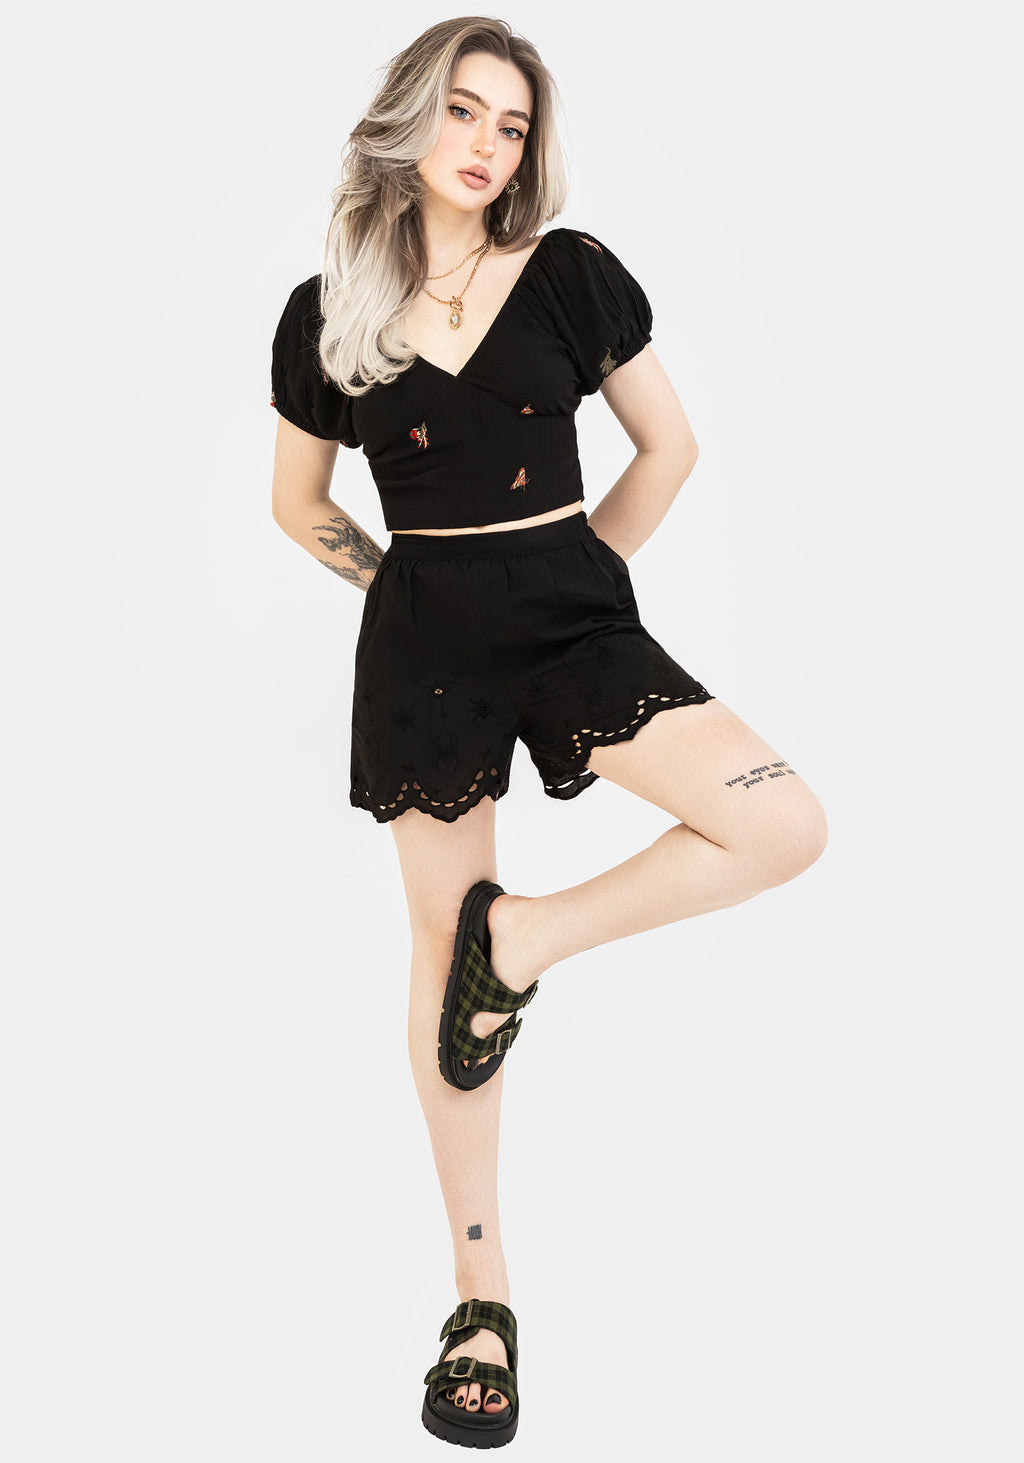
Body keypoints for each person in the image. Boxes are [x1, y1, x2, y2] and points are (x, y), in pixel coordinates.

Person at [269, 16, 828, 1449]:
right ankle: (481, 1303)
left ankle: (520, 942)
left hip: (575, 618)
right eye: (463, 111)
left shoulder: (569, 273)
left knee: (779, 820)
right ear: (409, 120)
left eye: (510, 125)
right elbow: (297, 504)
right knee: (434, 957)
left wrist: (582, 581)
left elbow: (671, 447)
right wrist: (398, 593)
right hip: (425, 646)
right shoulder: (327, 310)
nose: (485, 143)